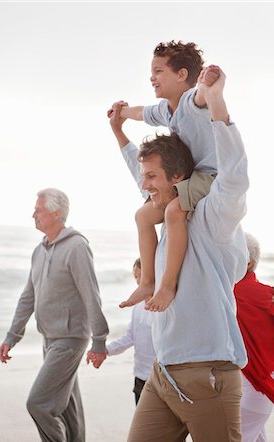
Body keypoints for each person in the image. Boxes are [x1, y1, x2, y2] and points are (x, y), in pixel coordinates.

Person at [109, 67, 249, 442]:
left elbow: (234, 177)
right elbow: (140, 174)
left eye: (153, 177)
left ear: (178, 178)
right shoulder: (164, 217)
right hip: (163, 374)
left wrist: (217, 103)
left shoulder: (211, 218)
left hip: (208, 374)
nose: (144, 185)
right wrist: (119, 134)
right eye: (145, 177)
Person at [108, 41, 219, 313]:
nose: (152, 77)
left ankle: (167, 285)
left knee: (173, 211)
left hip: (209, 176)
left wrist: (207, 85)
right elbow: (141, 113)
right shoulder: (164, 110)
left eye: (159, 71)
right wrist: (121, 114)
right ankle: (148, 280)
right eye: (151, 72)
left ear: (181, 75)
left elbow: (203, 97)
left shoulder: (192, 101)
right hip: (186, 178)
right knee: (143, 215)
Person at [0, 188, 109, 442]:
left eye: (38, 209)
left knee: (38, 403)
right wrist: (11, 336)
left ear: (56, 213)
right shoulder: (39, 251)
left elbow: (91, 295)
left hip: (70, 340)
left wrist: (100, 340)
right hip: (50, 339)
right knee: (70, 409)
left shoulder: (77, 247)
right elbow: (28, 297)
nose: (33, 214)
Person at [234, 232, 274, 442]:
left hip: (255, 386)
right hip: (262, 383)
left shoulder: (230, 292)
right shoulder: (267, 295)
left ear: (248, 262)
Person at [104, 258, 156, 405]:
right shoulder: (137, 306)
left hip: (160, 379)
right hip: (140, 377)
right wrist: (106, 350)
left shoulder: (165, 307)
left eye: (142, 276)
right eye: (136, 277)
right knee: (141, 427)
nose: (139, 281)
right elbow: (130, 337)